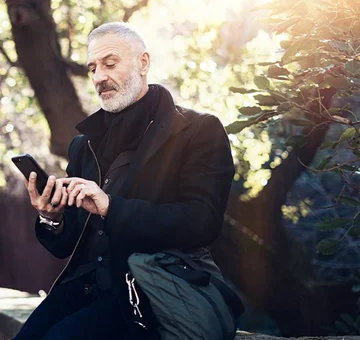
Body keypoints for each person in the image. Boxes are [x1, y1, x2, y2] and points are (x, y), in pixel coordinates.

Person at [14, 22, 235, 339]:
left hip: (148, 290)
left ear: (143, 63)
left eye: (110, 63)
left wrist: (109, 207)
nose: (99, 77)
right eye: (92, 68)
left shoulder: (199, 131)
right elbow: (66, 246)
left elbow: (202, 222)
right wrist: (52, 218)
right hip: (82, 288)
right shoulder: (83, 145)